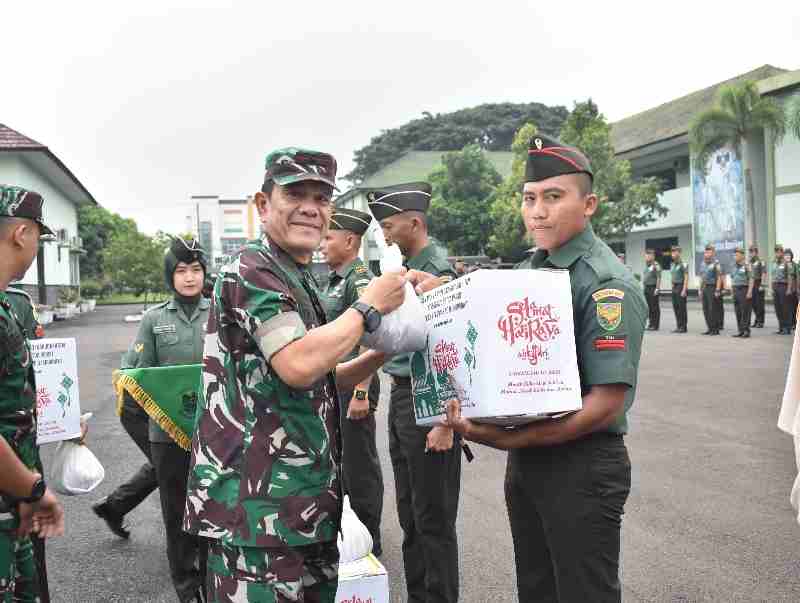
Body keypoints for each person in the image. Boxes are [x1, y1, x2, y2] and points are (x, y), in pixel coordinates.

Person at [184, 148, 407, 602]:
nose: (311, 207)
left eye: (322, 197)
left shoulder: (298, 276)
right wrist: (370, 307)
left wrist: (387, 347)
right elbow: (299, 364)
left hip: (306, 509)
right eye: (296, 193)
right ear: (263, 205)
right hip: (255, 516)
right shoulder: (251, 269)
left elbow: (324, 378)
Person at [443, 135, 646, 602]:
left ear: (589, 203)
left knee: (583, 593)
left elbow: (606, 402)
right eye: (530, 198)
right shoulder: (529, 271)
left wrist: (511, 439)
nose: (538, 211)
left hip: (582, 464)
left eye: (553, 197)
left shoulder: (606, 284)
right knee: (536, 590)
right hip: (531, 461)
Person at [367, 181, 460, 603]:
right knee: (410, 513)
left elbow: (452, 349)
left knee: (433, 518)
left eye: (388, 226)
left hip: (428, 401)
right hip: (402, 395)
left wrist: (444, 420)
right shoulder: (403, 265)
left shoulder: (437, 268)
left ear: (414, 223)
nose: (383, 235)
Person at [115, 236, 210, 603]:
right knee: (176, 513)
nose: (189, 277)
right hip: (167, 435)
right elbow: (134, 373)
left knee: (213, 506)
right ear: (171, 276)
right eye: (182, 270)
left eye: (196, 270)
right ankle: (188, 588)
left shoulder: (218, 312)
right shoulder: (154, 319)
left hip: (214, 431)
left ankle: (214, 577)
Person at [0, 184, 62, 602]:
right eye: (38, 237)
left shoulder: (8, 304)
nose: (37, 248)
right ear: (21, 233)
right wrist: (34, 489)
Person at [319, 207, 384, 556]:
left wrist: (361, 390)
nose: (322, 243)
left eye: (328, 237)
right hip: (335, 384)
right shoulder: (333, 279)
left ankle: (369, 539)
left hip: (353, 385)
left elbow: (370, 337)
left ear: (349, 240)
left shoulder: (359, 278)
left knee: (360, 465)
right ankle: (349, 535)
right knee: (341, 461)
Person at [699, 244, 723, 335]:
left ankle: (715, 329)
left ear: (713, 253)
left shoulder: (716, 263)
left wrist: (717, 290)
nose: (707, 254)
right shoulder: (702, 263)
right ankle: (709, 328)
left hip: (712, 287)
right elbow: (701, 277)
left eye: (709, 252)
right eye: (706, 252)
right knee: (705, 309)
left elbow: (719, 277)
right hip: (705, 287)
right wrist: (700, 289)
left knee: (713, 308)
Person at [730, 247, 753, 338]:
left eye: (737, 254)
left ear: (742, 255)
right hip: (735, 290)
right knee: (738, 311)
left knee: (745, 311)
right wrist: (732, 291)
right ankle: (740, 330)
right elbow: (732, 279)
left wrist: (750, 291)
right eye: (735, 254)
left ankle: (746, 331)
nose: (735, 256)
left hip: (744, 289)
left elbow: (751, 278)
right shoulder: (733, 266)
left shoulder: (747, 265)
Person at [670, 245, 688, 333]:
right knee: (676, 307)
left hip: (681, 286)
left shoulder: (683, 264)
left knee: (682, 308)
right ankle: (678, 325)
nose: (673, 253)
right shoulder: (672, 264)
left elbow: (686, 277)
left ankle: (683, 327)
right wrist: (672, 285)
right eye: (672, 252)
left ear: (679, 253)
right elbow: (672, 276)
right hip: (674, 287)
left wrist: (684, 290)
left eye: (675, 252)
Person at [773, 244, 791, 335]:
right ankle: (781, 327)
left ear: (782, 252)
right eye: (776, 251)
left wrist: (788, 289)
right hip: (776, 286)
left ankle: (787, 328)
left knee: (784, 308)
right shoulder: (774, 262)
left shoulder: (786, 263)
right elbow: (773, 275)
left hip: (783, 286)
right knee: (777, 308)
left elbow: (789, 276)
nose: (777, 253)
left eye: (779, 251)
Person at [642, 248, 661, 330]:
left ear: (653, 256)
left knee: (654, 307)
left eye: (648, 255)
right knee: (649, 307)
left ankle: (655, 325)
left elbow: (659, 277)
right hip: (647, 288)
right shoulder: (647, 265)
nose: (646, 257)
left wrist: (657, 288)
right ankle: (650, 324)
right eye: (646, 255)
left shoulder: (656, 265)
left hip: (653, 288)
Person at [749, 245, 766, 328]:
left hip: (759, 283)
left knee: (759, 304)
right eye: (750, 252)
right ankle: (757, 319)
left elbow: (763, 273)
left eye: (753, 251)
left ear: (756, 252)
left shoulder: (761, 261)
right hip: (752, 284)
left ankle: (761, 321)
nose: (751, 253)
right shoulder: (750, 262)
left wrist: (762, 284)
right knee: (753, 303)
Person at [785, 248, 798, 333]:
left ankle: (793, 324)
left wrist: (796, 288)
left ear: (791, 256)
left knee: (793, 308)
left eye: (788, 255)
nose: (787, 257)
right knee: (787, 308)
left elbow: (797, 277)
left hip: (792, 289)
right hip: (783, 289)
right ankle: (789, 324)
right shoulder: (782, 265)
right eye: (785, 255)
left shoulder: (794, 265)